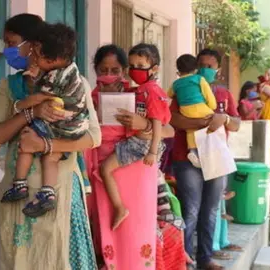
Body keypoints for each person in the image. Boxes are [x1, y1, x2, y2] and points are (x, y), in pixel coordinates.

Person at [0, 13, 100, 269]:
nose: (7, 50)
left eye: (11, 42)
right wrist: (30, 113)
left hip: (59, 194)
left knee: (57, 259)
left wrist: (47, 146)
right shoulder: (10, 86)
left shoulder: (75, 82)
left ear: (33, 45)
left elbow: (93, 137)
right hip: (18, 196)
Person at [84, 44, 175, 270]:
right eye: (103, 70)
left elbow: (169, 130)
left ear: (124, 71)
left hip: (135, 169)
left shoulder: (138, 94)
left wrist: (142, 124)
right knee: (106, 226)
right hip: (102, 171)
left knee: (136, 227)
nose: (108, 75)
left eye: (115, 70)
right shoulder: (88, 98)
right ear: (95, 70)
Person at [0, 23, 89, 218]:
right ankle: (47, 193)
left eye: (38, 55)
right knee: (52, 157)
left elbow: (39, 98)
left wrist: (22, 106)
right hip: (75, 125)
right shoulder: (71, 70)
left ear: (54, 59)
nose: (35, 58)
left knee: (26, 141)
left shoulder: (54, 77)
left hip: (61, 124)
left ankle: (19, 184)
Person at [171, 48, 240, 270]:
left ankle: (205, 259)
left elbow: (236, 124)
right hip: (187, 158)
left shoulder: (223, 94)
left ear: (217, 70)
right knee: (190, 210)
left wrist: (224, 117)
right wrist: (204, 122)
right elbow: (173, 119)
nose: (205, 69)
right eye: (201, 64)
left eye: (210, 66)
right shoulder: (182, 87)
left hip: (216, 158)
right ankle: (184, 260)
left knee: (211, 210)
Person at [100, 43, 171, 230]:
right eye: (132, 66)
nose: (135, 70)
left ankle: (119, 208)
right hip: (138, 143)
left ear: (154, 69)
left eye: (141, 66)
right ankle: (164, 208)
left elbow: (159, 124)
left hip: (141, 144)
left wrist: (153, 152)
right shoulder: (139, 90)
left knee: (105, 169)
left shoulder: (152, 91)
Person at [167, 54, 216, 167]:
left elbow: (168, 94)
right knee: (212, 123)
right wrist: (212, 107)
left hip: (186, 111)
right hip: (201, 109)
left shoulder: (176, 84)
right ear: (195, 69)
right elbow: (209, 96)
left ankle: (193, 151)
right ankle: (208, 149)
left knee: (190, 129)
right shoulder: (199, 79)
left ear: (178, 70)